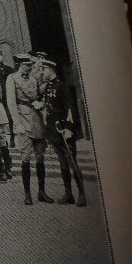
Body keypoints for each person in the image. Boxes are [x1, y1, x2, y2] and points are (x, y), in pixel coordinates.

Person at [40, 58, 87, 207]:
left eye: (44, 70)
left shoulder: (62, 87)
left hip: (64, 131)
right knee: (63, 163)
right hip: (54, 131)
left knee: (72, 162)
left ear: (51, 70)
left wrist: (68, 128)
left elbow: (70, 109)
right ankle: (68, 194)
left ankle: (82, 195)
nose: (42, 72)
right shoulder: (48, 88)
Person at [7, 54, 50, 205]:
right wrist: (16, 123)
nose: (30, 67)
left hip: (36, 118)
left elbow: (37, 96)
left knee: (40, 156)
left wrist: (40, 104)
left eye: (30, 65)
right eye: (27, 65)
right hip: (22, 119)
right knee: (25, 158)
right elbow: (11, 102)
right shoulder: (12, 78)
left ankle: (42, 192)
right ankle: (27, 194)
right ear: (21, 65)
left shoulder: (32, 79)